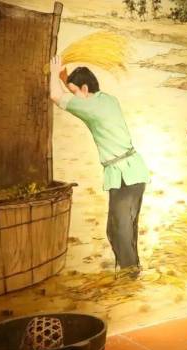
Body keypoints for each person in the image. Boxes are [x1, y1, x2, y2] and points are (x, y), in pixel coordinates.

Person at [49, 56, 150, 278]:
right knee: (125, 227)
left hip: (124, 176)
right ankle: (131, 270)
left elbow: (55, 96)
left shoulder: (90, 107)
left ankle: (129, 275)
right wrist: (67, 80)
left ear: (85, 89)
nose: (73, 97)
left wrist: (54, 73)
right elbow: (77, 96)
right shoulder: (107, 100)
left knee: (119, 230)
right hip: (134, 172)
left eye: (74, 91)